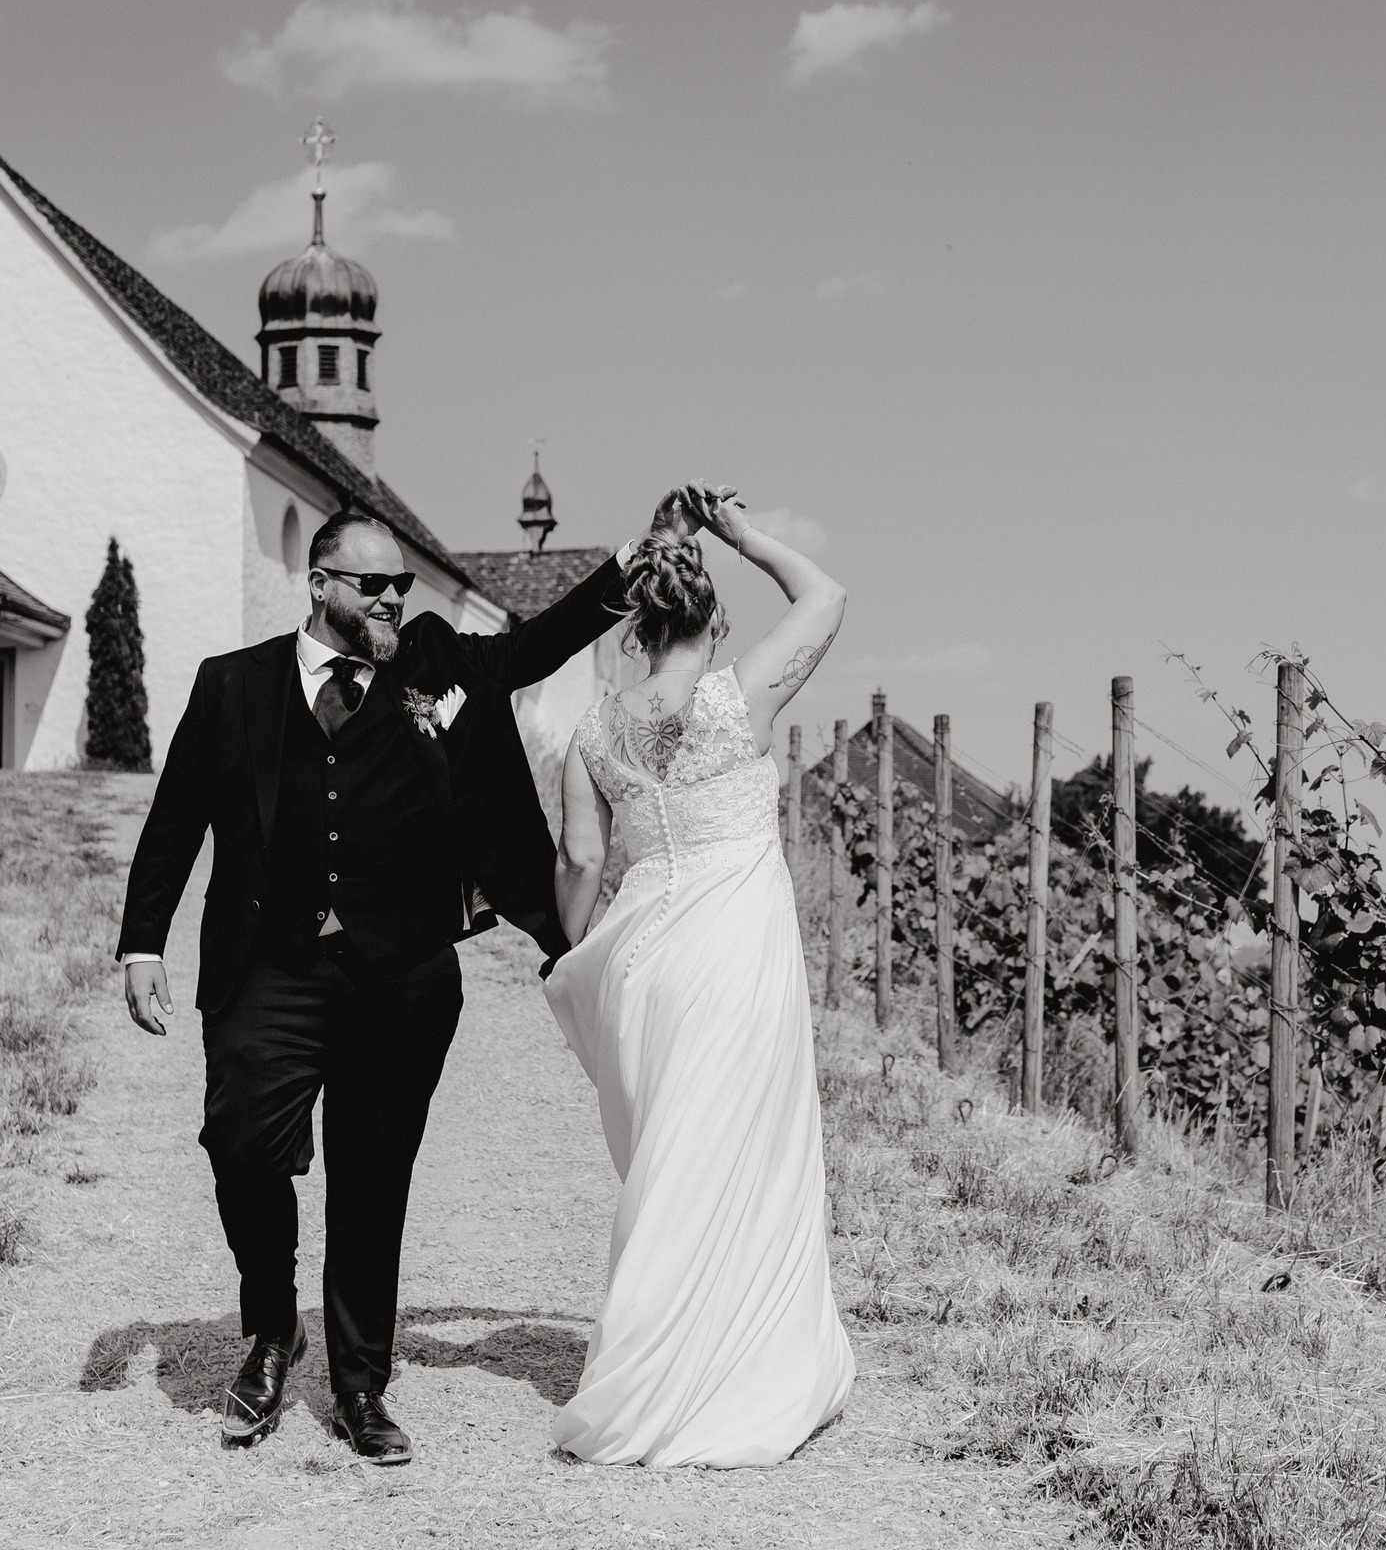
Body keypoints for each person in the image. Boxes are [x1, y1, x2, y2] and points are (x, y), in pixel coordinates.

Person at [117, 487, 721, 1462]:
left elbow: (548, 639)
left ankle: (359, 1385)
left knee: (371, 1178)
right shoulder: (232, 685)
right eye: (373, 583)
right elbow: (179, 811)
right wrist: (143, 938)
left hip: (400, 976)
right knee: (240, 1143)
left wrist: (647, 550)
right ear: (318, 585)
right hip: (268, 964)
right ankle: (273, 1323)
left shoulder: (442, 661)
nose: (395, 597)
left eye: (402, 582)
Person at [545, 493, 854, 1467]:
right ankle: (730, 1369)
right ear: (715, 620)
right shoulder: (742, 695)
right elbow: (826, 593)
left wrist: (567, 948)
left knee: (665, 1165)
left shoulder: (594, 734)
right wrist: (744, 533)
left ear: (636, 628)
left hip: (649, 961)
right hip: (737, 957)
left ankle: (647, 1369)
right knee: (746, 1158)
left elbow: (582, 866)